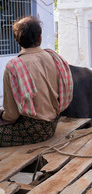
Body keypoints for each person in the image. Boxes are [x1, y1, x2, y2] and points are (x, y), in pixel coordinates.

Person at [0, 16, 73, 146]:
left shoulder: (13, 67)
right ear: (39, 37)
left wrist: (2, 117)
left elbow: (11, 115)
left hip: (32, 131)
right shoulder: (53, 57)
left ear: (16, 39)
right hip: (52, 125)